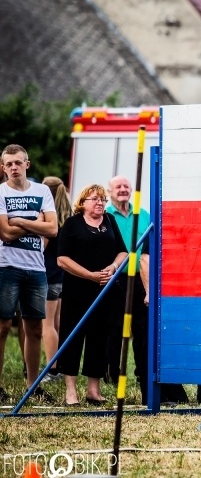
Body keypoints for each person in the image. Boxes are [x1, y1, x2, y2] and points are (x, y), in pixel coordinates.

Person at [57, 184, 128, 405]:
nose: (100, 203)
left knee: (99, 338)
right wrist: (89, 275)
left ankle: (93, 390)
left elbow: (123, 251)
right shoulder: (72, 224)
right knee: (73, 337)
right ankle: (70, 391)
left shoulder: (109, 221)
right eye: (95, 199)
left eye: (103, 199)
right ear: (83, 202)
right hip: (77, 291)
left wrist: (114, 267)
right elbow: (62, 259)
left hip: (104, 291)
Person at [0, 144, 59, 404]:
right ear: (3, 168)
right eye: (9, 164)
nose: (14, 167)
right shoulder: (0, 193)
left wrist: (19, 221)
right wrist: (35, 223)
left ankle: (32, 386)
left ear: (27, 164)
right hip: (6, 267)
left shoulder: (42, 191)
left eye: (18, 162)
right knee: (2, 328)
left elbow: (53, 230)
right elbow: (5, 233)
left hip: (36, 269)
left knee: (34, 328)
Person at [105, 176, 151, 399]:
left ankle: (142, 372)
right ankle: (112, 373)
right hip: (117, 278)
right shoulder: (105, 216)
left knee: (141, 328)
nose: (123, 190)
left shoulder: (143, 215)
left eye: (126, 186)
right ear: (109, 191)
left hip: (141, 279)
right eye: (118, 187)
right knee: (114, 327)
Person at [138, 235, 189, 406]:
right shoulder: (160, 228)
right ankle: (153, 396)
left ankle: (171, 391)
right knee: (151, 345)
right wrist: (149, 292)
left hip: (175, 295)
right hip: (156, 296)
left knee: (170, 344)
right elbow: (144, 260)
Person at [40, 176, 72, 383]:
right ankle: (62, 364)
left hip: (48, 275)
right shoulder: (68, 217)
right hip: (62, 277)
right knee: (58, 323)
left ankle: (52, 369)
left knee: (47, 324)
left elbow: (41, 248)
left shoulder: (46, 218)